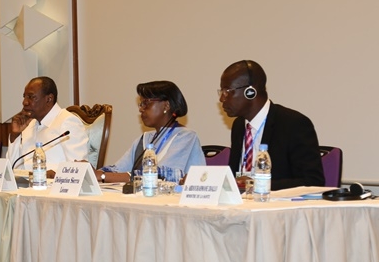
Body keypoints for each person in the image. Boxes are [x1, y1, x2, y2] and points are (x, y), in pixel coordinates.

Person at [218, 60, 324, 190]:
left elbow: (313, 181)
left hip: (278, 207)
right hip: (242, 206)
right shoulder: (239, 125)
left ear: (250, 92)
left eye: (227, 91)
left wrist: (256, 184)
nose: (222, 99)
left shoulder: (294, 124)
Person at [95, 80, 205, 183]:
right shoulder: (145, 138)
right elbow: (118, 169)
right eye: (141, 104)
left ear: (166, 105)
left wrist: (103, 176)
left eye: (146, 103)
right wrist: (91, 172)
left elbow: (162, 176)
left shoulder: (185, 136)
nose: (141, 109)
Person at [6, 76, 88, 173]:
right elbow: (13, 170)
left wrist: (55, 174)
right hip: (27, 186)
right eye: (25, 97)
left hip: (55, 186)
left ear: (49, 99)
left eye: (31, 97)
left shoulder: (67, 122)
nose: (25, 102)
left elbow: (79, 169)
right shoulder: (28, 125)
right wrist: (15, 136)